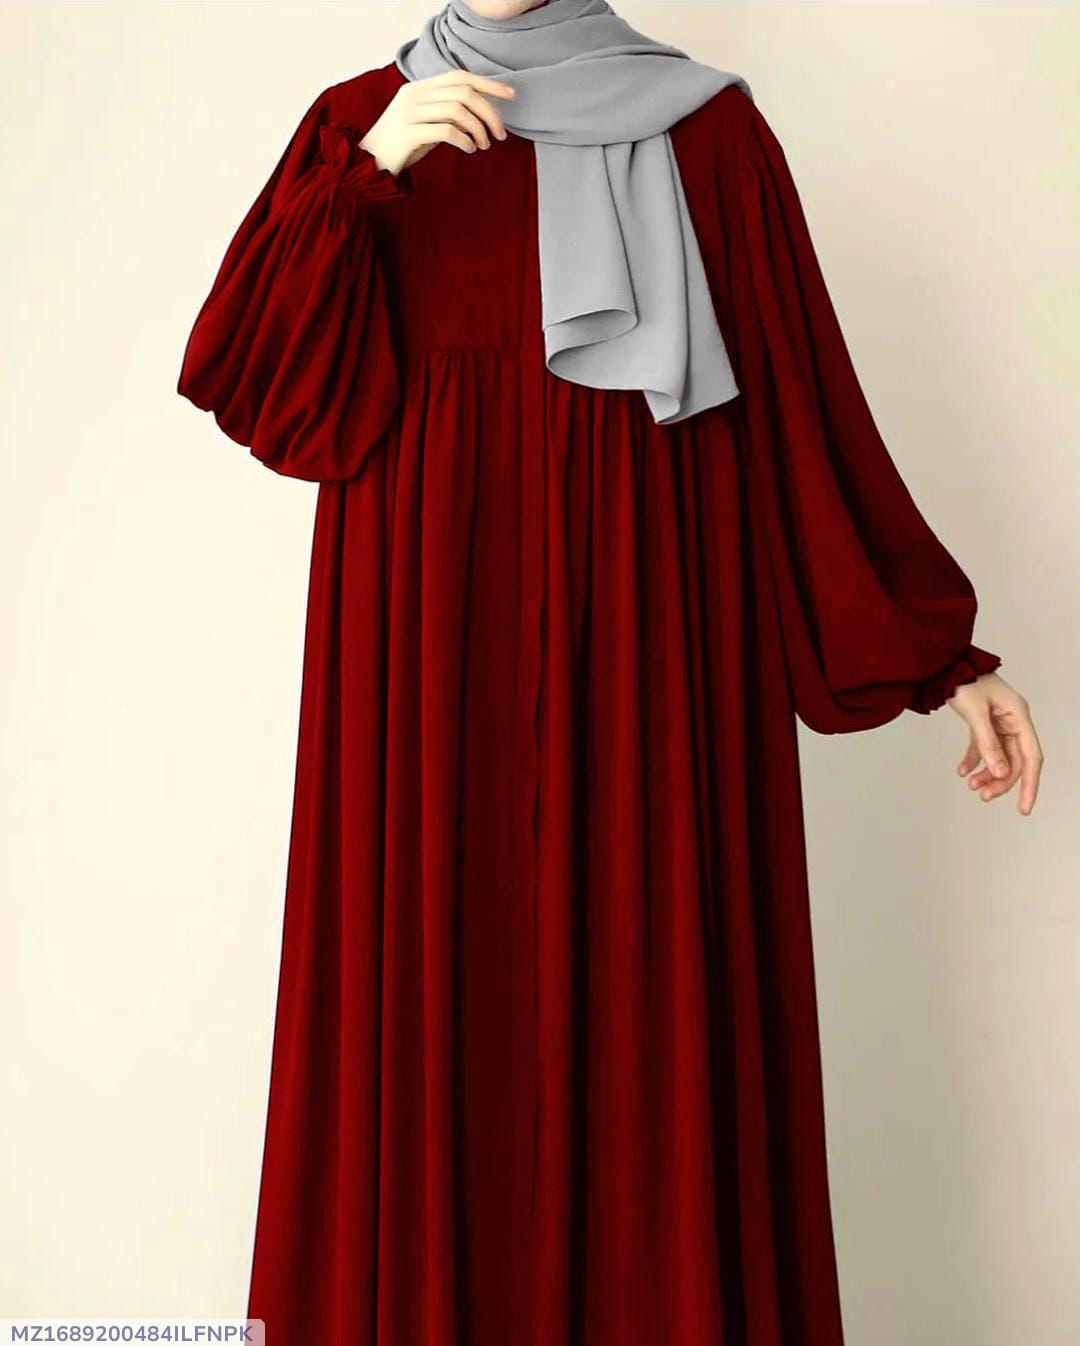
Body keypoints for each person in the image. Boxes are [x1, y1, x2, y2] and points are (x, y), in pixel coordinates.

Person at [176, 2, 1044, 1342]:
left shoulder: (711, 136)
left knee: (651, 1039)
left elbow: (801, 414)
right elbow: (259, 382)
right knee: (438, 1029)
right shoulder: (357, 124)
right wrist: (364, 180)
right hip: (425, 673)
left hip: (654, 658)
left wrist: (942, 659)